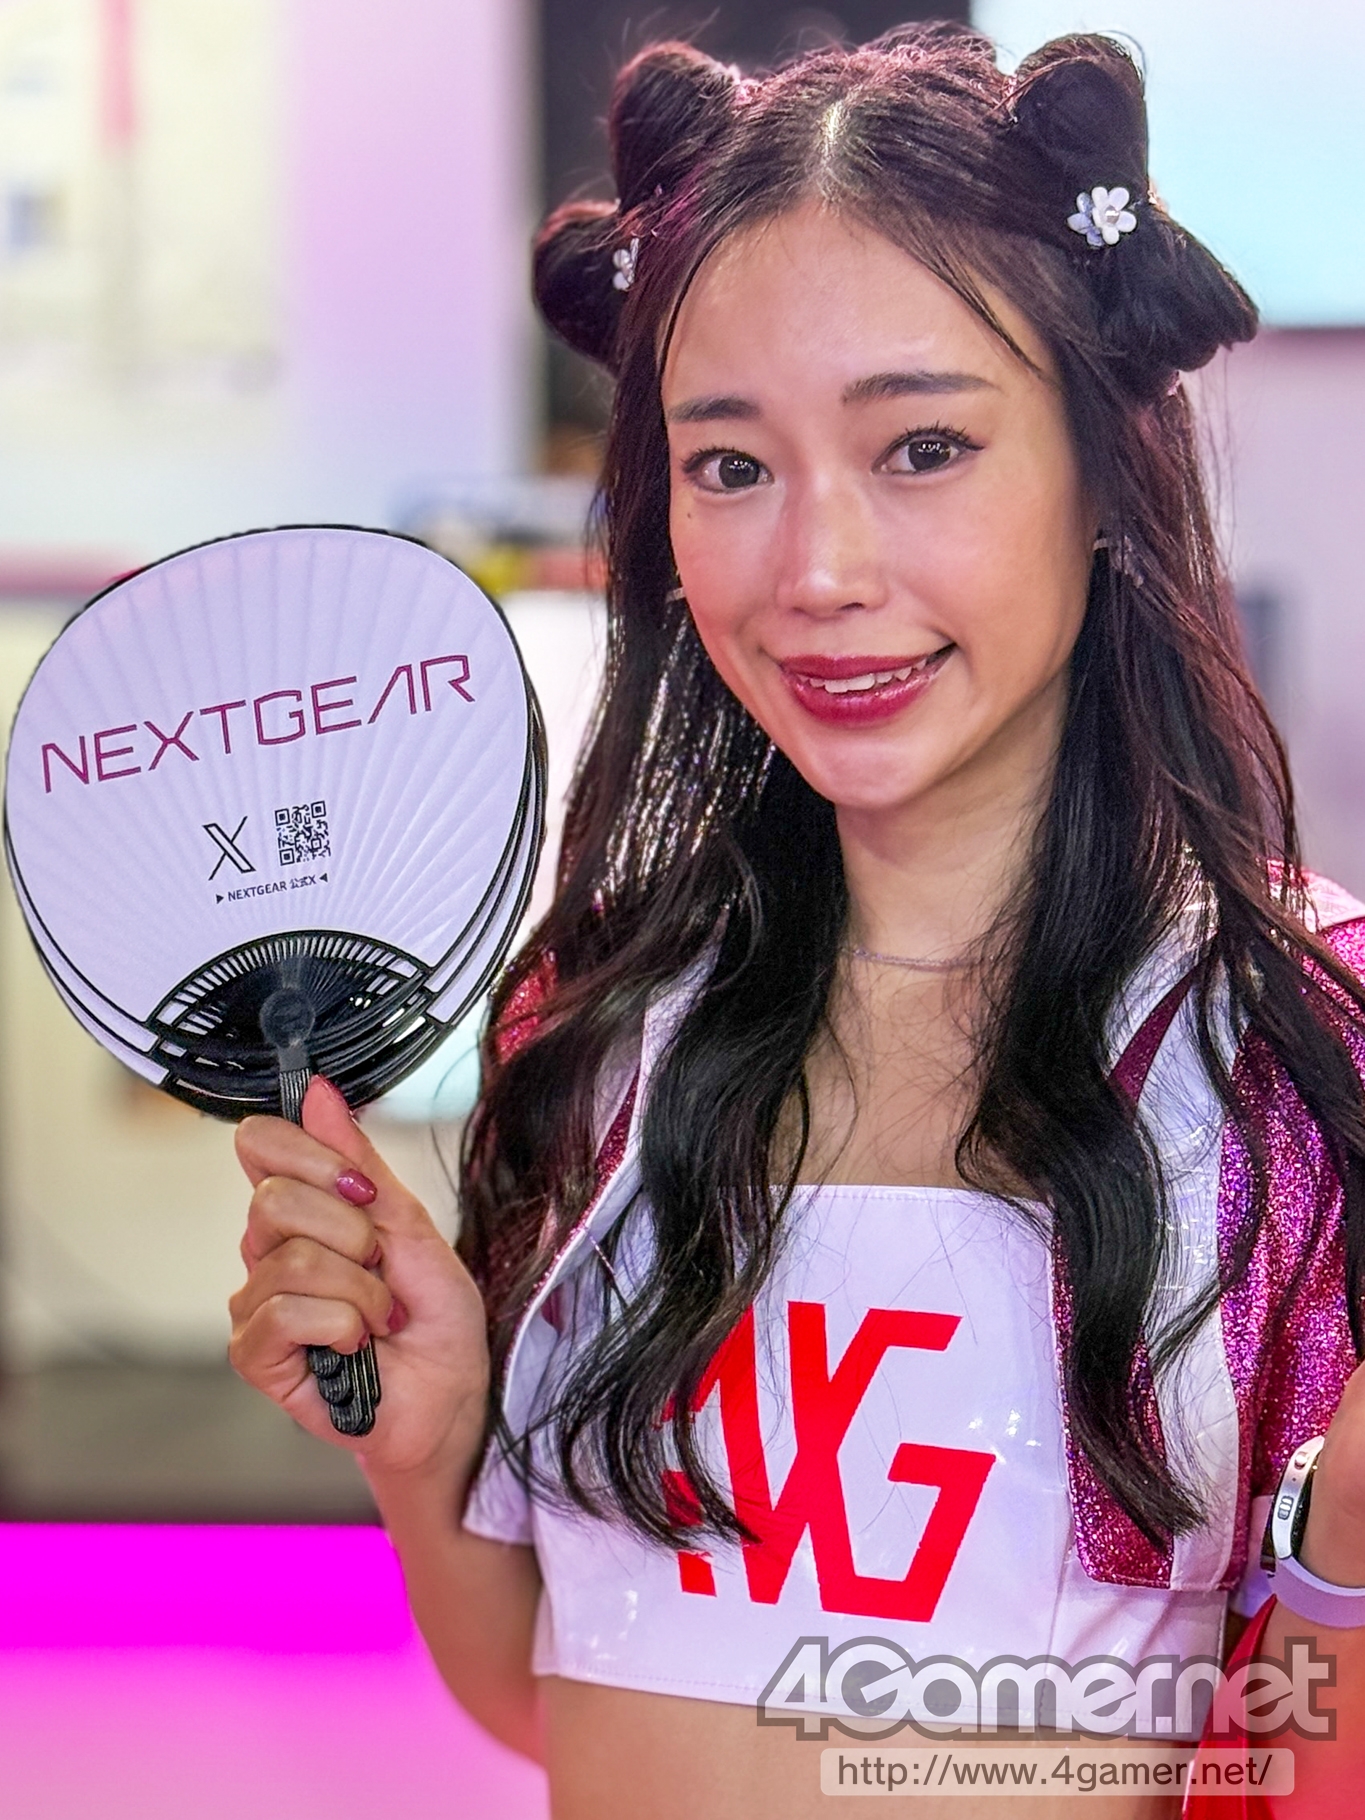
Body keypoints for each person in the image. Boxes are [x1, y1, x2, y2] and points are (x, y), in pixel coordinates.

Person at [228, 27, 1365, 1818]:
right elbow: (563, 1699)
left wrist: (1343, 1557)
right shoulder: (602, 1019)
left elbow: (1292, 1769)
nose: (816, 572)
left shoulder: (1291, 1047)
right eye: (730, 466)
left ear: (1099, 470)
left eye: (922, 446)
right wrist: (425, 1447)